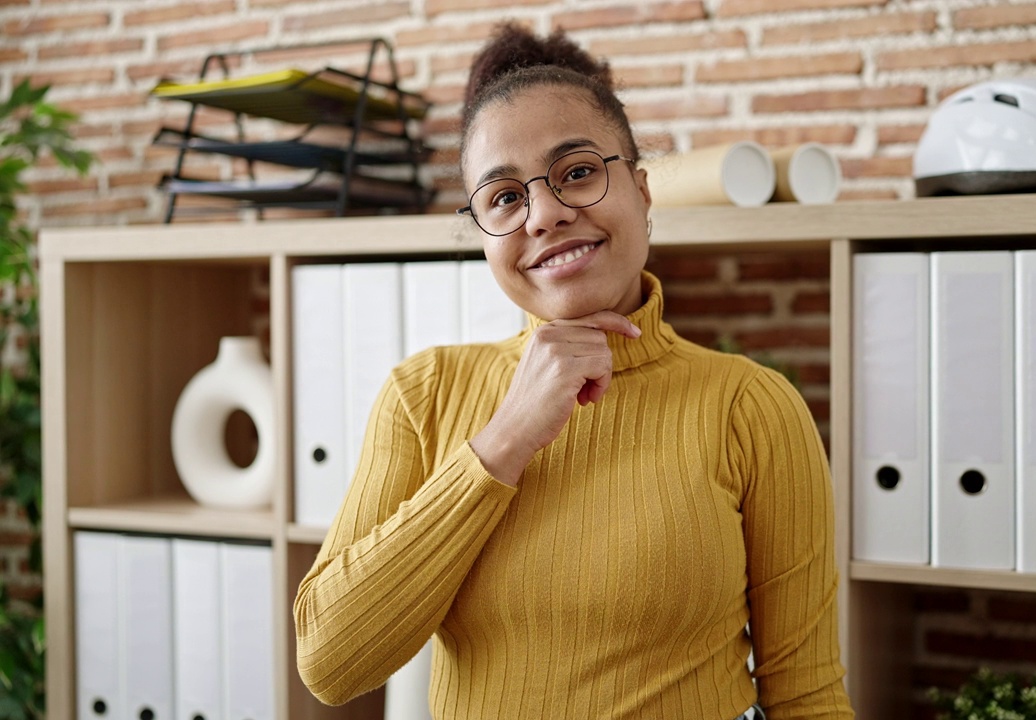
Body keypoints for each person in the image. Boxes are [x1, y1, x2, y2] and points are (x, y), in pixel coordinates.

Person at [294, 22, 854, 720]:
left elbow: (808, 695)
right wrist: (506, 437)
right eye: (504, 197)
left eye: (579, 172)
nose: (547, 214)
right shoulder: (425, 394)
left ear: (643, 192)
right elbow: (330, 662)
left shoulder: (751, 405)